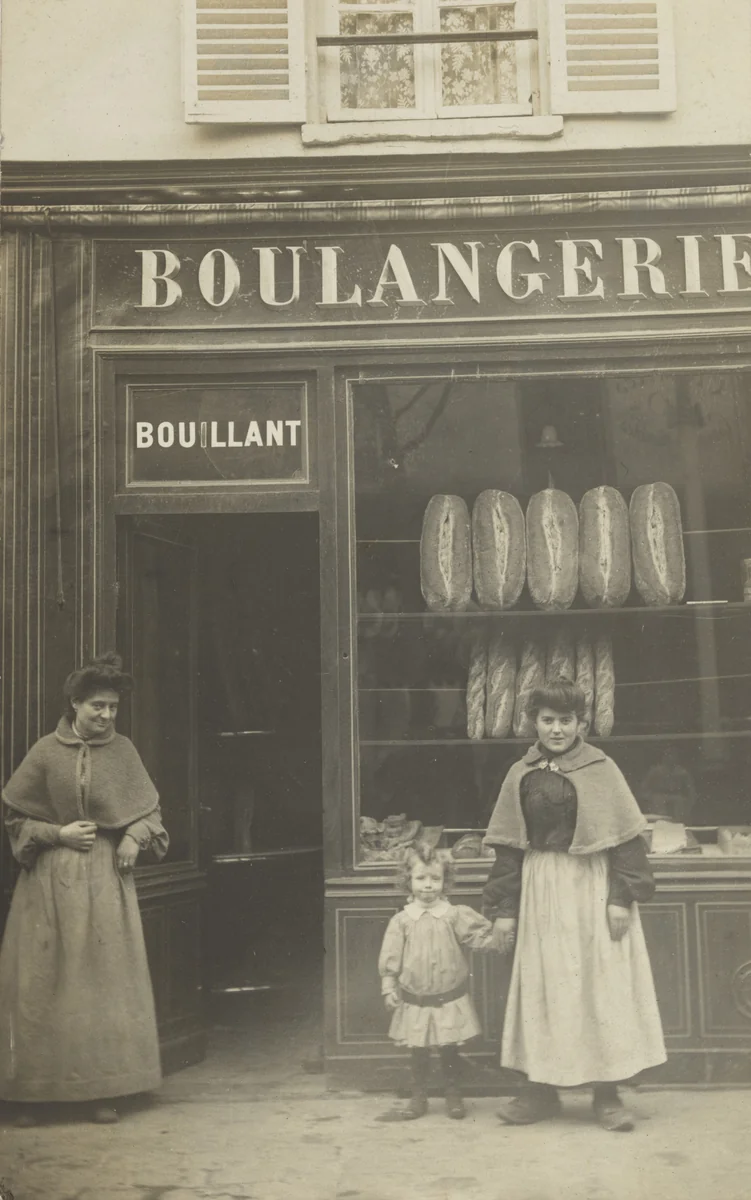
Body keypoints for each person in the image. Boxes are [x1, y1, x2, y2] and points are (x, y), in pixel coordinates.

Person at [482, 678, 666, 1132]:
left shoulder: (602, 769)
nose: (557, 730)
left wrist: (620, 899)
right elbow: (508, 849)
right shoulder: (520, 773)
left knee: (599, 988)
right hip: (541, 887)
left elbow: (626, 842)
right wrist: (504, 911)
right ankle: (541, 1092)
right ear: (533, 722)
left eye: (566, 720)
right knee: (544, 988)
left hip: (593, 888)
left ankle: (607, 1095)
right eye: (548, 720)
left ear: (581, 723)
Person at [0, 652, 168, 1126]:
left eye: (113, 707)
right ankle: (33, 1096)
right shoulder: (45, 752)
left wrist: (133, 837)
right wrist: (59, 833)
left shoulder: (124, 752)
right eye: (97, 706)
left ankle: (102, 1091)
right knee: (41, 983)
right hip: (48, 884)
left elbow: (151, 814)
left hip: (104, 882)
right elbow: (16, 820)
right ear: (75, 703)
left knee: (99, 984)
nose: (107, 715)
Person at [378, 842, 497, 1121]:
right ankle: (418, 1095)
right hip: (415, 999)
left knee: (449, 1049)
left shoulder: (453, 915)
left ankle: (453, 1094)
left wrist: (497, 939)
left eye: (435, 878)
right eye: (421, 878)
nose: (428, 885)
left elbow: (478, 936)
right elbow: (391, 956)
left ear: (445, 881)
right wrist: (388, 985)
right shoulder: (402, 921)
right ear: (408, 880)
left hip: (448, 997)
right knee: (418, 1051)